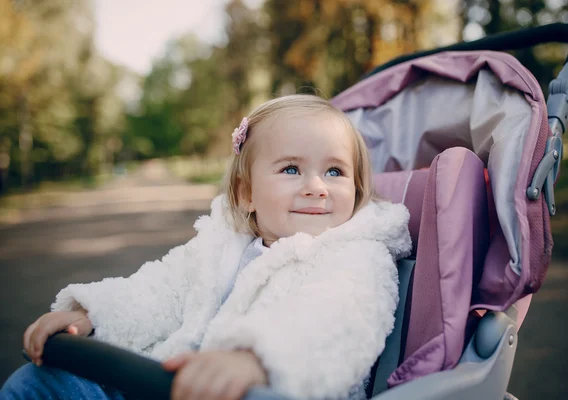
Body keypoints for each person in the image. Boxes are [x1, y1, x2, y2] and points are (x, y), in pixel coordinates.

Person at [1, 94, 411, 400]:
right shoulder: (223, 246)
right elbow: (163, 288)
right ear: (246, 192)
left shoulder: (355, 257)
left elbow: (337, 322)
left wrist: (257, 359)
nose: (316, 187)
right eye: (291, 168)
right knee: (35, 385)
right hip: (173, 381)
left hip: (267, 388)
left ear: (356, 189)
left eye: (335, 171)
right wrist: (92, 314)